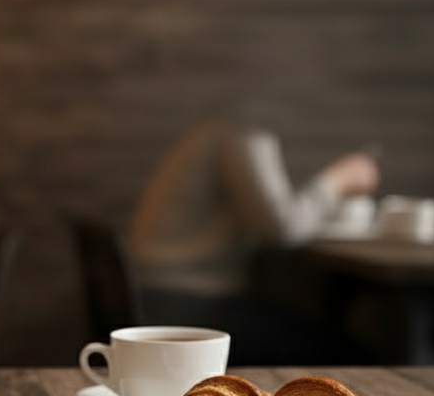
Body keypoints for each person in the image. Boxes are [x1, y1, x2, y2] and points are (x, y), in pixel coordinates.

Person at [127, 116, 380, 363]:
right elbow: (280, 227)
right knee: (347, 351)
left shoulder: (218, 128)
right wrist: (338, 180)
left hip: (157, 292)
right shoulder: (240, 131)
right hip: (185, 301)